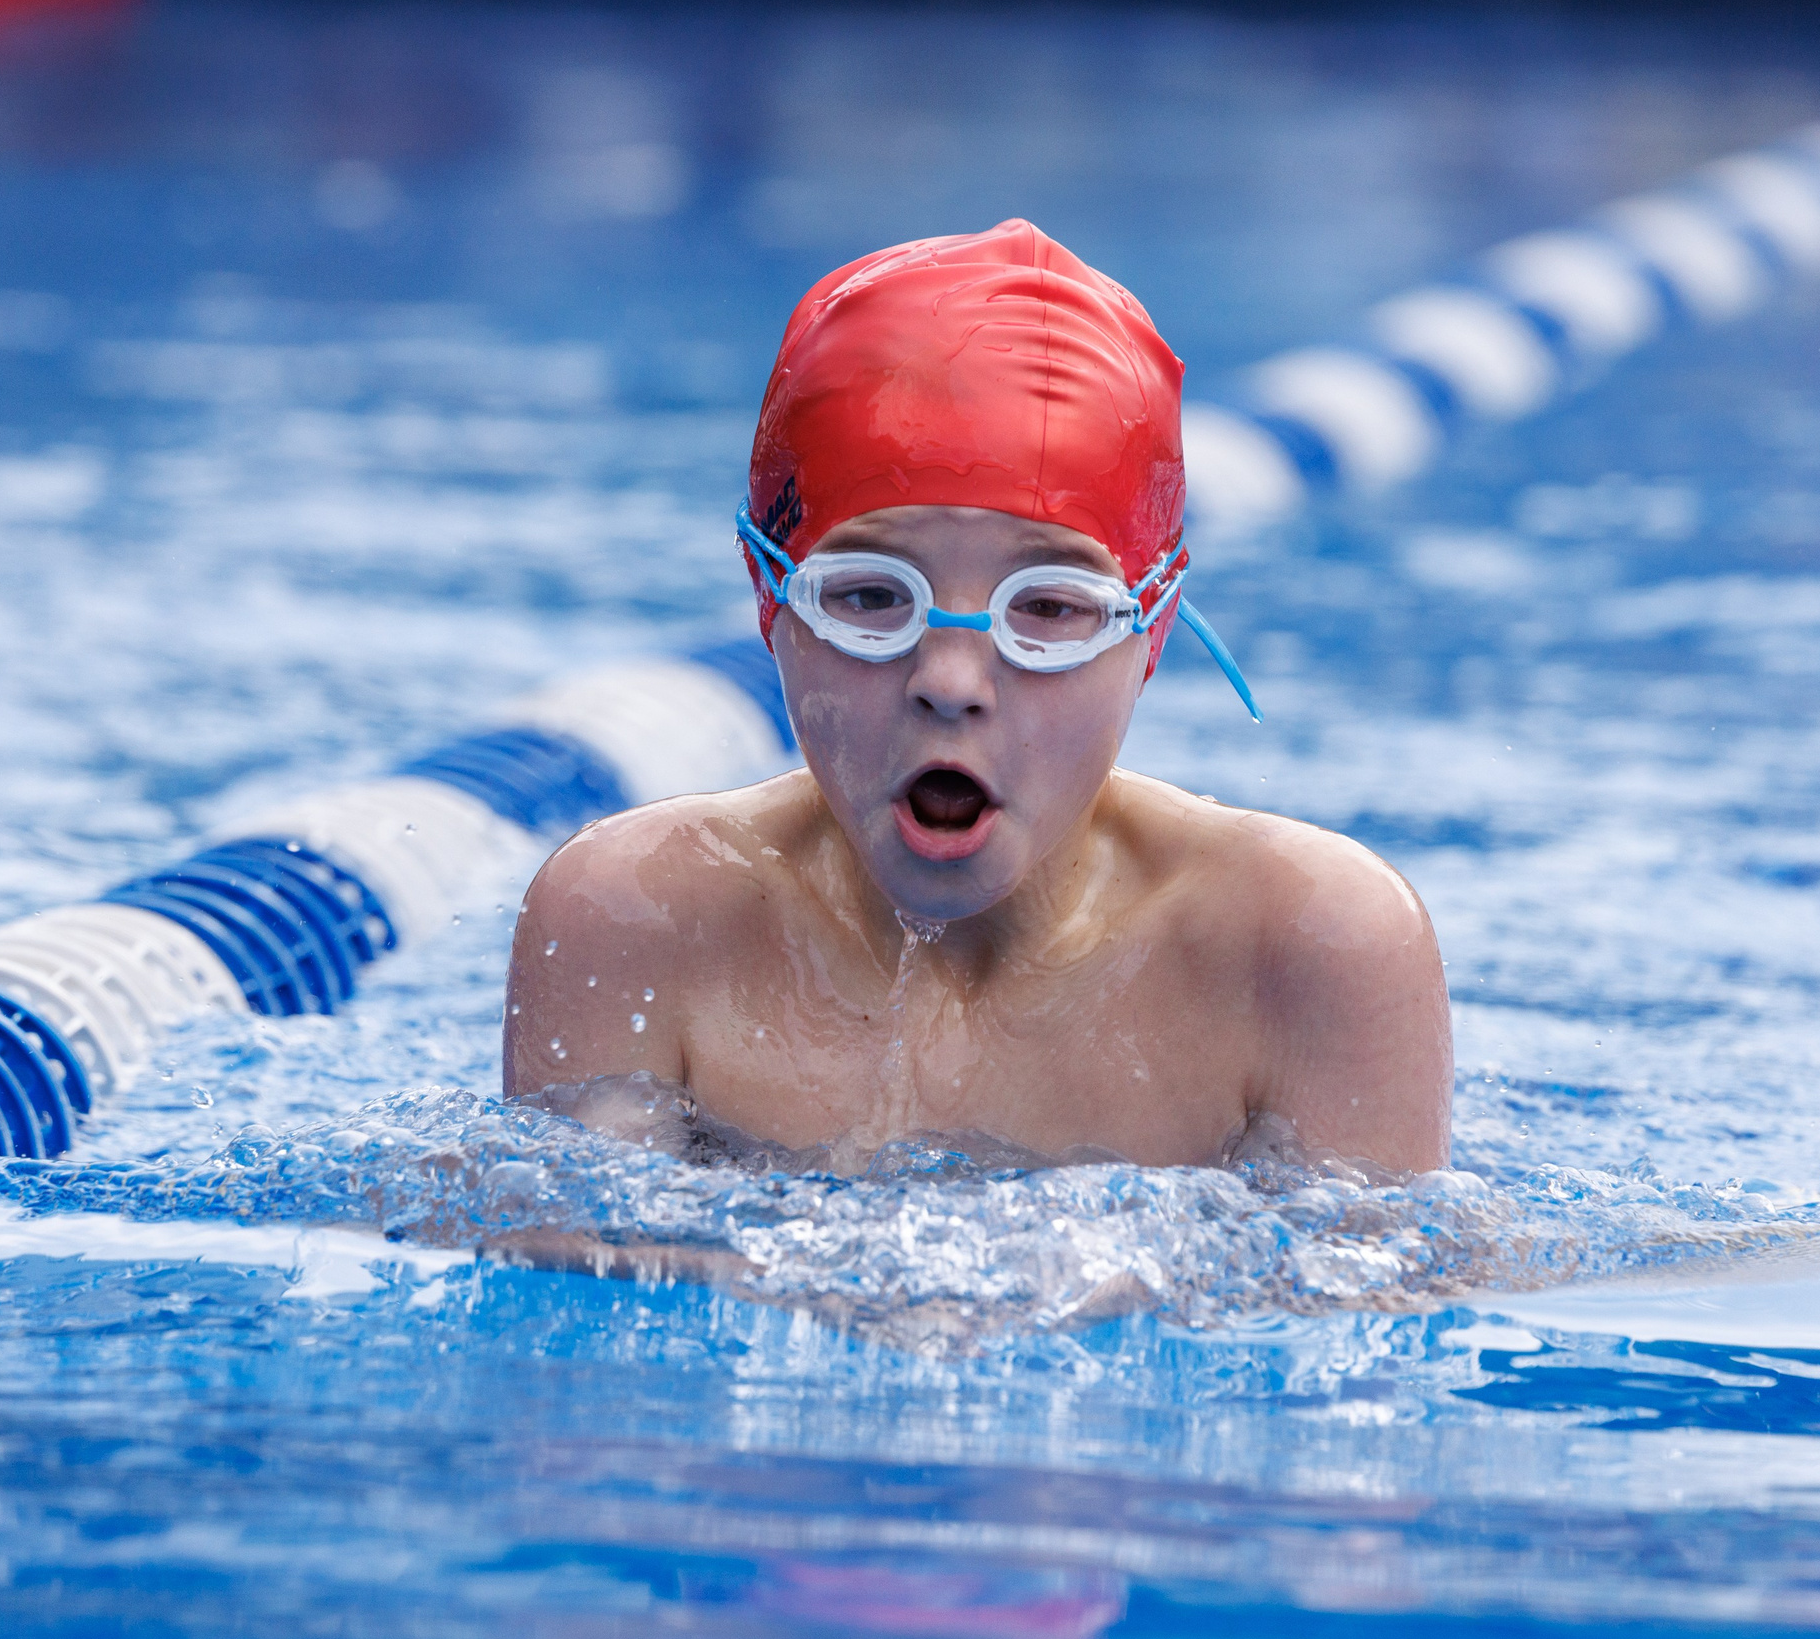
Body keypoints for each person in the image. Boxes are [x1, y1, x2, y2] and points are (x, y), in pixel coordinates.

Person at [503, 220, 1449, 1174]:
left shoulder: (1311, 949)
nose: (949, 684)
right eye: (871, 597)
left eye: (1047, 607)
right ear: (770, 599)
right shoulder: (635, 920)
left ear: (1153, 624)